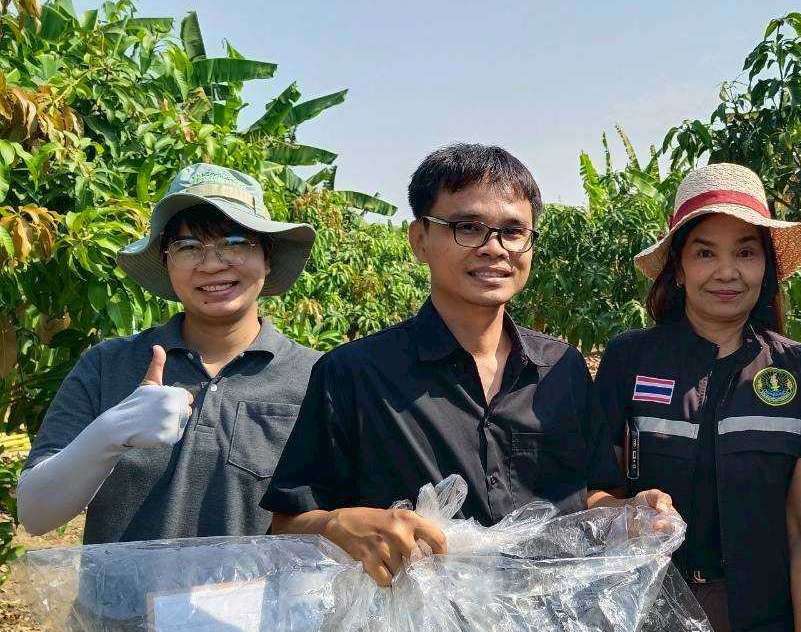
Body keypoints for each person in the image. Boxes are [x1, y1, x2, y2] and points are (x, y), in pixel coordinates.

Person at [18, 163, 320, 632]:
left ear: (266, 258)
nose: (213, 264)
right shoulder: (109, 366)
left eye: (235, 241)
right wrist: (108, 434)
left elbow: (326, 528)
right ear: (166, 262)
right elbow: (36, 512)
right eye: (189, 247)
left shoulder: (317, 378)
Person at [263, 144, 664, 584]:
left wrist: (631, 512)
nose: (494, 248)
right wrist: (338, 524)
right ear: (419, 239)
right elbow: (287, 525)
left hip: (550, 620)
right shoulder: (354, 374)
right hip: (414, 624)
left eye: (513, 231)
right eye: (468, 227)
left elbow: (589, 494)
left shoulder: (561, 367)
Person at [593, 162, 801, 632]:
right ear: (678, 268)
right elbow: (592, 494)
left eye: (745, 253)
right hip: (654, 629)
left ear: (766, 267)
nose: (726, 272)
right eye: (705, 253)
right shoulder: (629, 359)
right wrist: (626, 506)